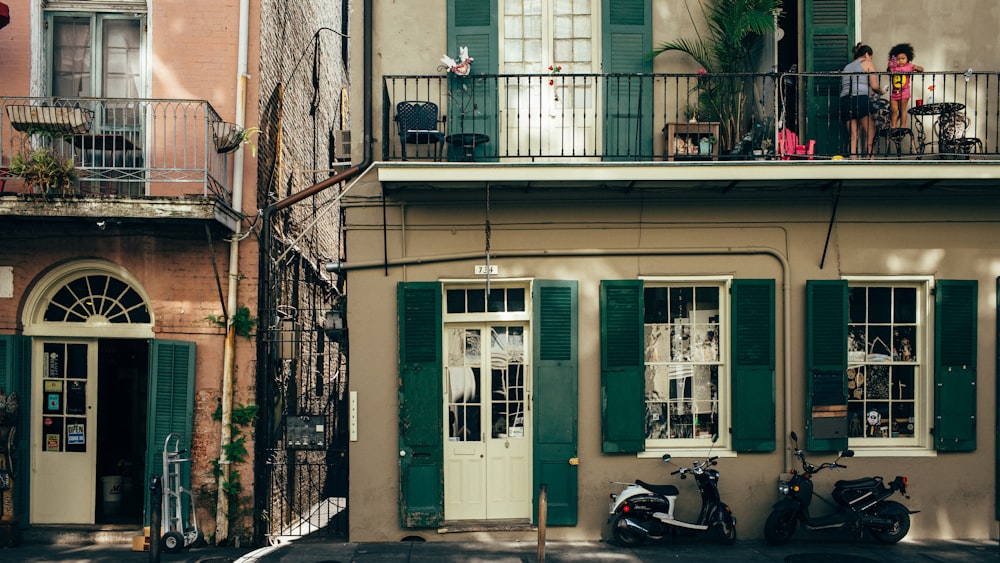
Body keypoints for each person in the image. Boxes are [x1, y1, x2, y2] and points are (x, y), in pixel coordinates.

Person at [839, 43, 881, 158]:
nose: (871, 59)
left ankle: (853, 159)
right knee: (870, 131)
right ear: (867, 54)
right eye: (870, 56)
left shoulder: (847, 67)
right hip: (860, 99)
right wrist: (881, 91)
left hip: (845, 100)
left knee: (853, 135)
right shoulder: (867, 63)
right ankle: (870, 158)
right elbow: (874, 86)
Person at [887, 43, 924, 128]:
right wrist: (889, 66)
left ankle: (903, 126)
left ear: (908, 59)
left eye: (903, 58)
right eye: (898, 59)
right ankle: (893, 126)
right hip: (894, 92)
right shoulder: (894, 67)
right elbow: (889, 72)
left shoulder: (909, 66)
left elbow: (922, 69)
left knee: (902, 110)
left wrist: (917, 68)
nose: (900, 60)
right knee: (894, 110)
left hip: (904, 92)